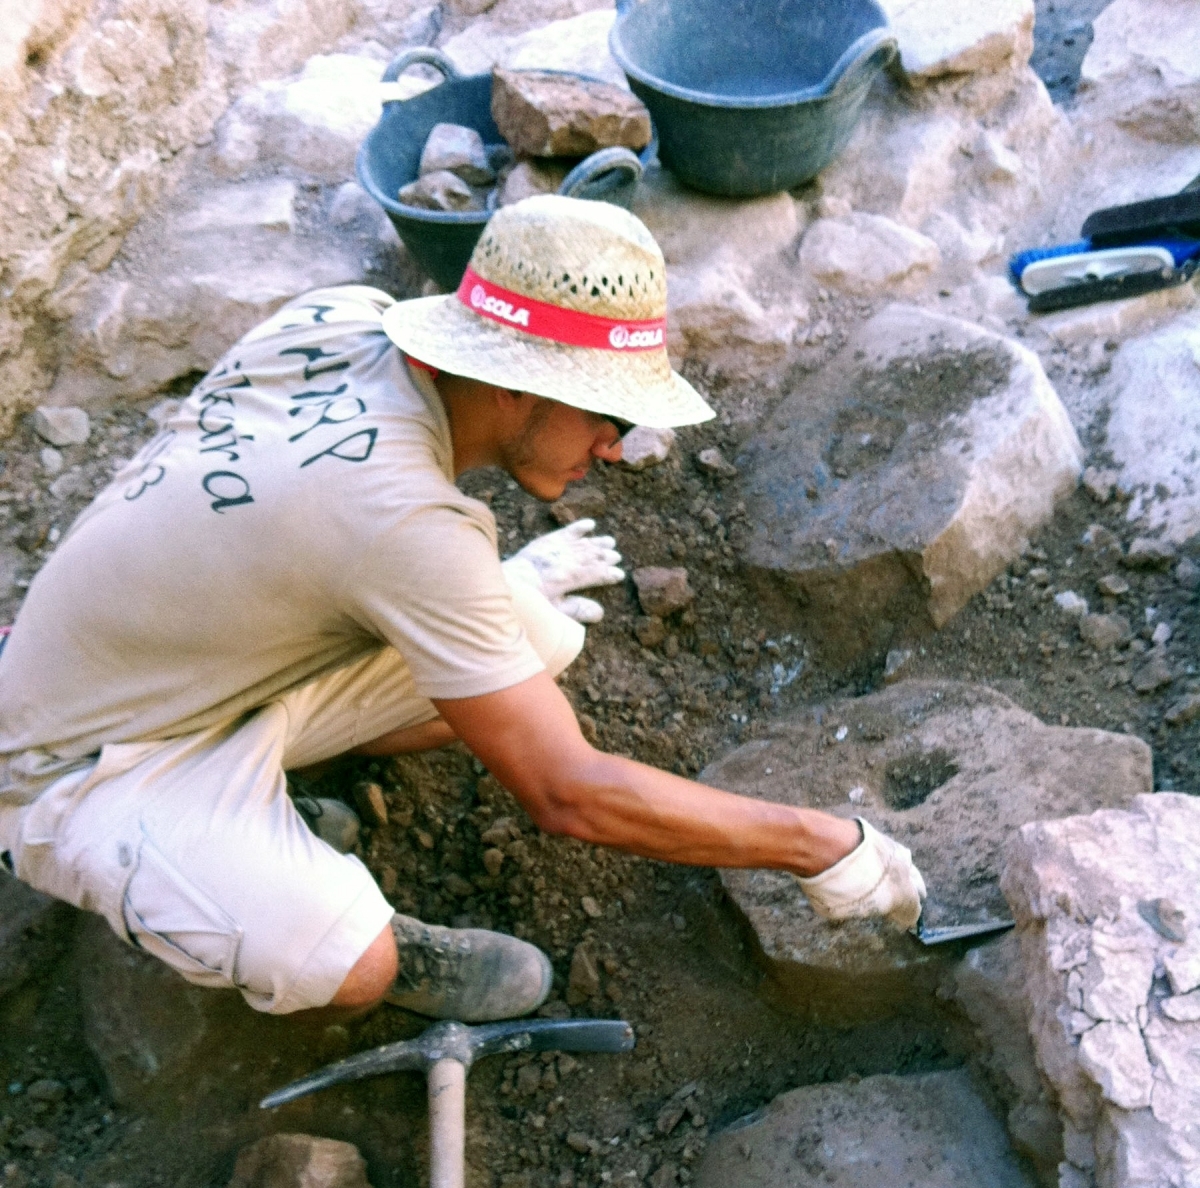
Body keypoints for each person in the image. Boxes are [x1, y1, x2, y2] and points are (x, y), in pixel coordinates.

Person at [0, 196, 925, 1024]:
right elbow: (566, 794)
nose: (613, 447)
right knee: (339, 960)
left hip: (177, 655)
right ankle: (291, 892)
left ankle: (259, 798)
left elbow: (327, 518)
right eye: (601, 413)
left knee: (534, 630)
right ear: (512, 379)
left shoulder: (343, 316)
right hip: (75, 759)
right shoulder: (402, 525)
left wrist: (476, 584)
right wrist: (819, 846)